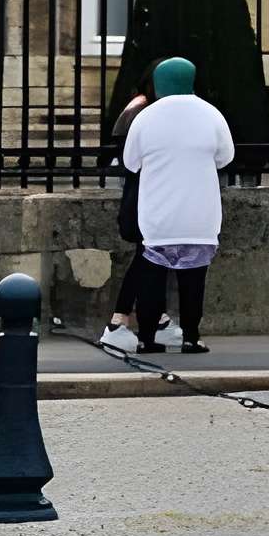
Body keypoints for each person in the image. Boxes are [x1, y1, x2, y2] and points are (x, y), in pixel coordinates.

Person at [120, 58, 234, 356]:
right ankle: (191, 337)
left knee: (152, 279)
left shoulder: (145, 117)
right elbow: (226, 157)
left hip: (158, 215)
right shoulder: (211, 115)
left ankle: (146, 337)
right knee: (193, 279)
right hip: (200, 215)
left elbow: (131, 162)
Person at [99, 91, 156, 355]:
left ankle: (155, 319)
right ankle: (118, 320)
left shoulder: (136, 108)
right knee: (146, 260)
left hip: (139, 201)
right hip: (144, 202)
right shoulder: (145, 112)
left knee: (149, 261)